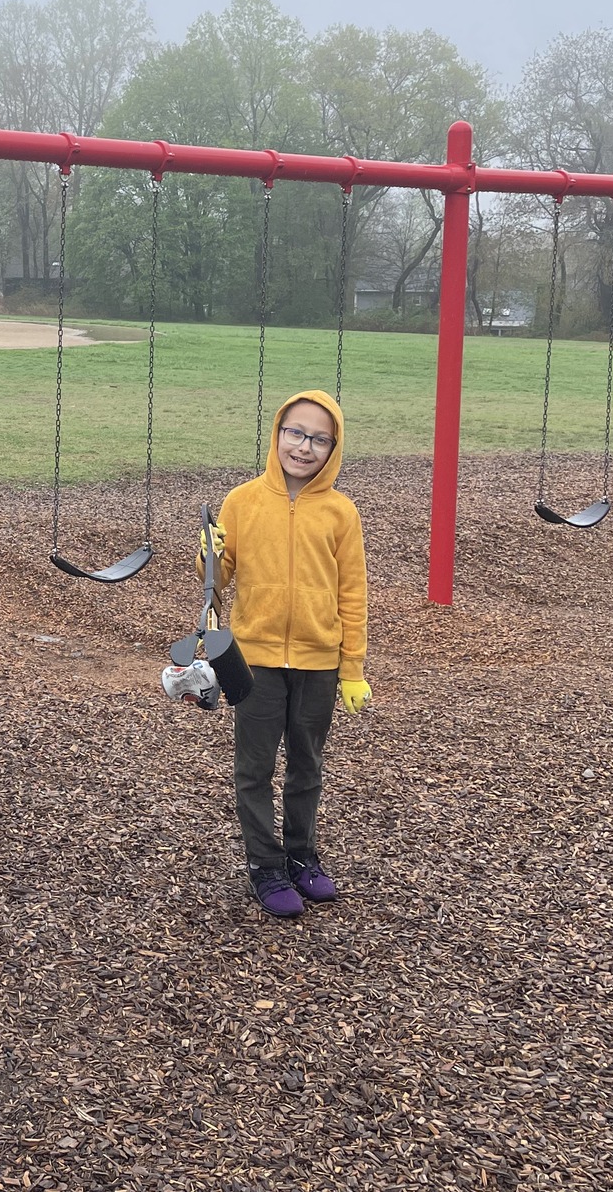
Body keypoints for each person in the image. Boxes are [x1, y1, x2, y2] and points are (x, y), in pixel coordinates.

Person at [206, 389, 369, 919]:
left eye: (319, 439)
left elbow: (352, 594)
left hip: (319, 660)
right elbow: (217, 581)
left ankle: (301, 856)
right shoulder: (243, 501)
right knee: (254, 768)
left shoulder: (341, 512)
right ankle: (265, 865)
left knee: (307, 765)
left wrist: (352, 667)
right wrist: (209, 555)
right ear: (277, 434)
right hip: (255, 659)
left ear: (333, 449)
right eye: (295, 433)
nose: (304, 447)